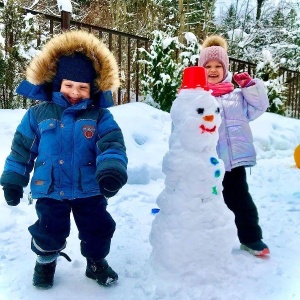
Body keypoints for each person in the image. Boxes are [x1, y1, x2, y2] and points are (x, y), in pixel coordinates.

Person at [0, 30, 128, 288]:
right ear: (56, 83)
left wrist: (111, 171)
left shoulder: (100, 117)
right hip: (50, 189)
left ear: (92, 89)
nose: (75, 92)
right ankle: (45, 262)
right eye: (69, 85)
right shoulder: (38, 115)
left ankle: (95, 262)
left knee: (98, 229)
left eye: (82, 87)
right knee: (49, 231)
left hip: (89, 188)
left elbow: (112, 145)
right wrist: (14, 180)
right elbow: (22, 151)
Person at [198, 35, 270, 256]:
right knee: (204, 200)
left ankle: (251, 238)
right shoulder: (197, 97)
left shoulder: (237, 96)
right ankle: (198, 240)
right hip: (207, 161)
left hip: (234, 162)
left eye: (218, 66)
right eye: (208, 66)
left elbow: (260, 106)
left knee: (240, 200)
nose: (212, 70)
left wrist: (249, 86)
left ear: (225, 67)